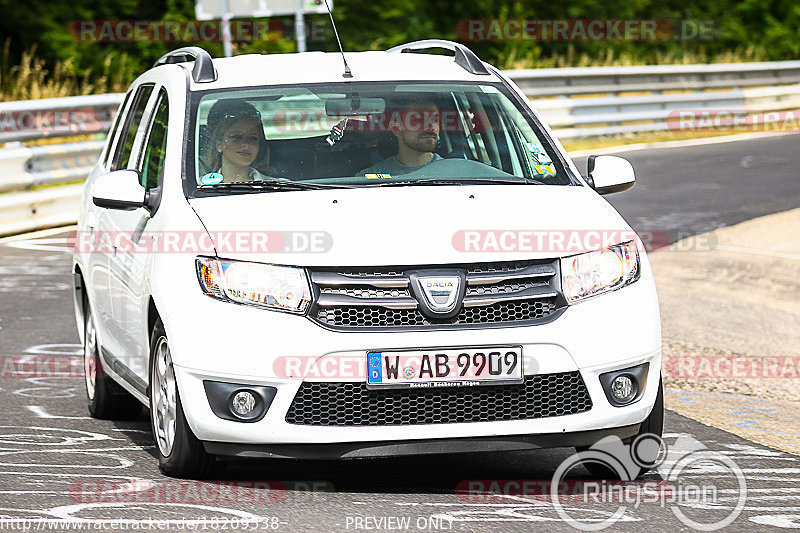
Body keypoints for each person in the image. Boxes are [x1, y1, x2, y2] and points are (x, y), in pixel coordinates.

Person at [358, 96, 442, 176]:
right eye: (418, 120)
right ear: (396, 128)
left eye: (435, 120)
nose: (430, 127)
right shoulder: (370, 178)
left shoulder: (451, 172)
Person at [200, 100, 272, 183]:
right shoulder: (200, 186)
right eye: (236, 137)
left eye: (253, 138)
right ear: (219, 145)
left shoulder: (280, 186)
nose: (246, 144)